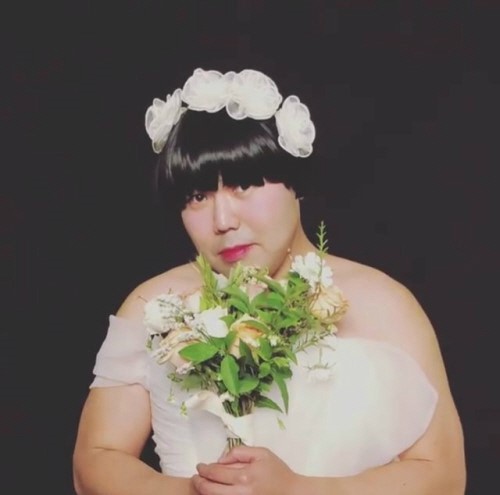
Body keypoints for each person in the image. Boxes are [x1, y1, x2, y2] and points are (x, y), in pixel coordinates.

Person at [72, 68, 466, 495]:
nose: (223, 221)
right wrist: (195, 491)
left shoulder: (383, 302)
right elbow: (96, 459)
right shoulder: (155, 303)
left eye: (242, 185)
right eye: (197, 197)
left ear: (295, 182)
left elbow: (444, 475)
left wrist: (296, 489)